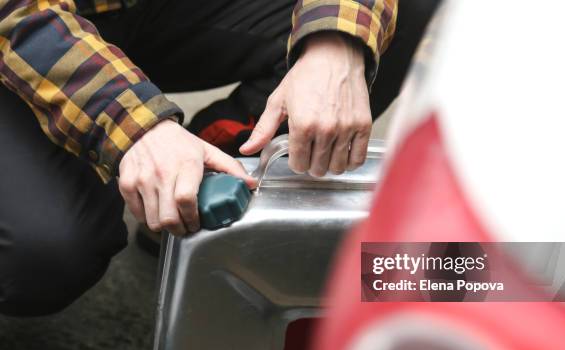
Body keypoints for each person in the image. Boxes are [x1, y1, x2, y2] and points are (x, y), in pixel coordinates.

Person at [0, 0, 439, 316]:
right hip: (23, 28)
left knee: (398, 11)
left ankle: (208, 193)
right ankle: (166, 183)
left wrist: (336, 40)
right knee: (48, 254)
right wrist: (135, 126)